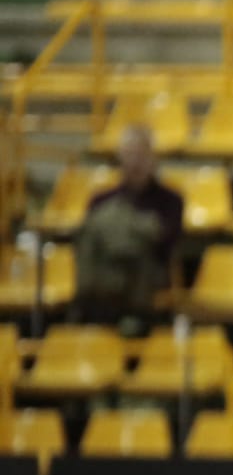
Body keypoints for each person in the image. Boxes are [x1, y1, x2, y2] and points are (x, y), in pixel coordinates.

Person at [75, 125, 183, 328]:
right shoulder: (100, 201)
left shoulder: (171, 201)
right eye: (130, 155)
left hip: (146, 290)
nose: (135, 162)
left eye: (141, 155)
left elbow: (166, 244)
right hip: (102, 294)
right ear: (120, 158)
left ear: (153, 158)